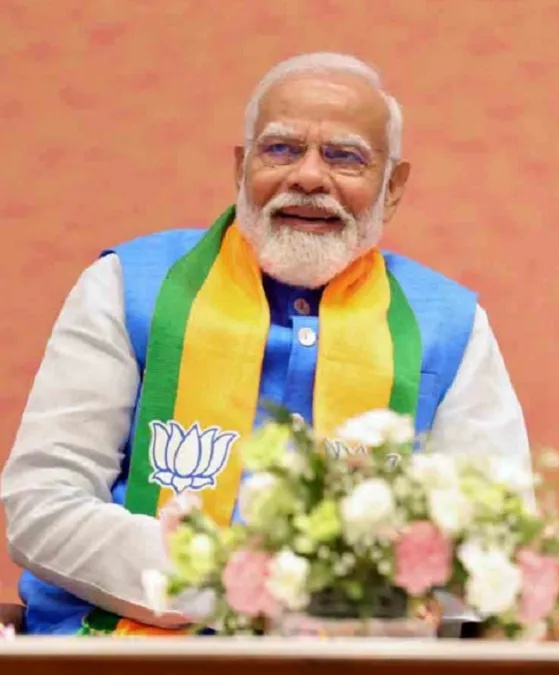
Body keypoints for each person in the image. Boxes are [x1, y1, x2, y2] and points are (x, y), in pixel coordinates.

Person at [1, 52, 531, 635]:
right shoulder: (129, 285)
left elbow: (495, 548)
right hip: (121, 650)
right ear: (241, 167)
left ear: (393, 187)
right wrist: (241, 587)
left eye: (345, 156)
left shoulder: (450, 324)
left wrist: (377, 600)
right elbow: (42, 504)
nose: (308, 177)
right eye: (281, 149)